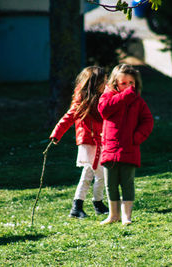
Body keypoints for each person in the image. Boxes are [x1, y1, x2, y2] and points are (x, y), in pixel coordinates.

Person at [49, 66, 109, 218]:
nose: (107, 83)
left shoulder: (103, 98)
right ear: (94, 84)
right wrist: (56, 134)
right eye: (104, 81)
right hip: (89, 142)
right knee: (100, 174)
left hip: (99, 141)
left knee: (89, 173)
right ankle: (97, 203)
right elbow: (68, 117)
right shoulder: (82, 103)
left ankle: (78, 207)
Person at [98, 64, 154, 225]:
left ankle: (126, 216)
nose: (128, 87)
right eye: (124, 83)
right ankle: (113, 215)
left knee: (127, 183)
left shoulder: (138, 102)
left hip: (129, 148)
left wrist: (136, 138)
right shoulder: (107, 97)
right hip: (110, 148)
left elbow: (148, 121)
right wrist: (125, 96)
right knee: (110, 184)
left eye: (132, 83)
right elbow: (104, 110)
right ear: (115, 83)